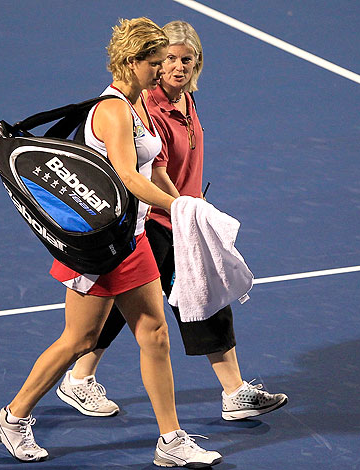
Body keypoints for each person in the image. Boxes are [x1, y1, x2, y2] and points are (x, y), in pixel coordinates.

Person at [0, 17, 222, 468]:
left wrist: (187, 209)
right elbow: (130, 178)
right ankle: (12, 418)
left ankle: (170, 441)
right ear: (132, 63)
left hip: (131, 243)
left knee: (154, 335)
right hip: (98, 251)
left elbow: (153, 169)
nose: (163, 70)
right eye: (155, 63)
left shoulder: (137, 107)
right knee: (79, 338)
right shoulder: (113, 111)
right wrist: (182, 209)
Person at [57, 20, 288, 423]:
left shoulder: (186, 99)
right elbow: (153, 171)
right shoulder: (144, 108)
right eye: (169, 60)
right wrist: (184, 209)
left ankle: (231, 391)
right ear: (156, 64)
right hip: (160, 218)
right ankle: (74, 380)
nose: (178, 67)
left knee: (201, 298)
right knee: (156, 304)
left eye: (188, 59)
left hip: (177, 215)